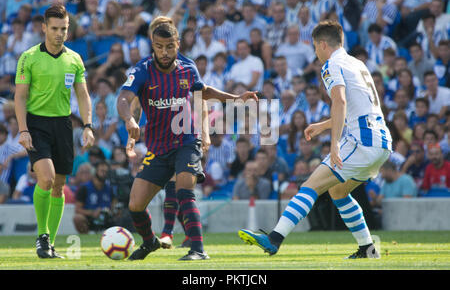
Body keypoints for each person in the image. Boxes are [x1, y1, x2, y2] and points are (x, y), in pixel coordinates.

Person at [239, 21, 392, 259]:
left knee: (310, 186)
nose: (315, 52)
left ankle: (274, 239)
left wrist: (334, 145)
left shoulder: (332, 64)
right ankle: (367, 249)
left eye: (314, 46)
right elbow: (357, 108)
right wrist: (323, 125)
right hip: (381, 142)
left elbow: (339, 102)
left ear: (322, 44)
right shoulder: (357, 63)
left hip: (362, 141)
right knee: (338, 192)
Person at [117, 16, 258, 261]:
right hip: (158, 148)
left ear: (178, 44)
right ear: (153, 44)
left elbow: (204, 92)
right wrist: (129, 119)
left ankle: (198, 250)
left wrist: (236, 98)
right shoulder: (141, 70)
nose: (164, 52)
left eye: (169, 46)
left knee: (184, 190)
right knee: (135, 205)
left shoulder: (187, 68)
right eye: (159, 47)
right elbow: (123, 98)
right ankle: (150, 242)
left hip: (185, 141)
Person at [14, 5, 95, 259]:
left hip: (63, 124)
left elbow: (82, 94)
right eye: (55, 28)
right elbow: (20, 97)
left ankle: (50, 242)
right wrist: (23, 129)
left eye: (64, 29)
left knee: (59, 186)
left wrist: (88, 125)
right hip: (36, 124)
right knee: (46, 179)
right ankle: (42, 236)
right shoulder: (28, 57)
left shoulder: (74, 59)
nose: (60, 33)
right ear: (44, 28)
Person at [73, 161, 116, 233]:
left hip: (106, 218)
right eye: (102, 171)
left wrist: (112, 211)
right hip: (91, 217)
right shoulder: (84, 188)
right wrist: (92, 213)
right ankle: (85, 237)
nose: (104, 173)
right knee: (77, 218)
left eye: (106, 171)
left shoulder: (110, 188)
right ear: (94, 171)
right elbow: (77, 210)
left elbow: (114, 204)